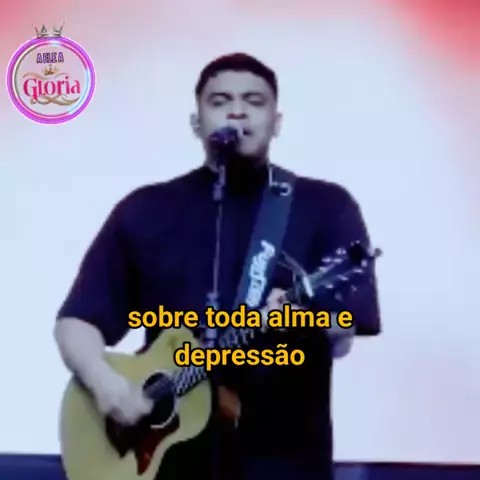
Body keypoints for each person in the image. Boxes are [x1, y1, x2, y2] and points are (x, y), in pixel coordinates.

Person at [54, 52, 381, 480]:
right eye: (220, 100)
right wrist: (106, 385)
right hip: (163, 468)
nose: (237, 111)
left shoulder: (324, 205)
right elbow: (76, 321)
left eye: (254, 101)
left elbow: (343, 333)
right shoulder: (145, 209)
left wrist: (305, 318)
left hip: (283, 462)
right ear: (197, 122)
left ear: (277, 122)